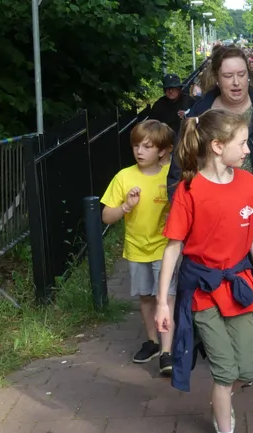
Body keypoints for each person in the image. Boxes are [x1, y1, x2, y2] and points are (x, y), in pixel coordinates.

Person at [156, 108, 253, 433]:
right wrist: (163, 302)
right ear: (218, 146)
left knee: (246, 368)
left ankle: (221, 401)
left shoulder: (248, 183)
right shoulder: (189, 189)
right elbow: (173, 247)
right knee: (224, 371)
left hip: (240, 287)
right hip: (203, 291)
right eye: (243, 143)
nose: (248, 150)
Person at [167, 44, 253, 366]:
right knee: (216, 280)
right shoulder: (199, 113)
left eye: (242, 74)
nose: (236, 82)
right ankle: (218, 339)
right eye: (228, 76)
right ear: (217, 77)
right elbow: (178, 170)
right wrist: (187, 211)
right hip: (213, 219)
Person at [100, 119, 176, 376]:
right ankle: (152, 342)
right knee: (145, 296)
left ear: (163, 151)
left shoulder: (171, 176)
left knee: (166, 297)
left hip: (165, 248)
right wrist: (125, 207)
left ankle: (167, 351)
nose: (140, 151)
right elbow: (106, 216)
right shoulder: (124, 177)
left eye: (147, 146)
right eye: (136, 146)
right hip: (136, 248)